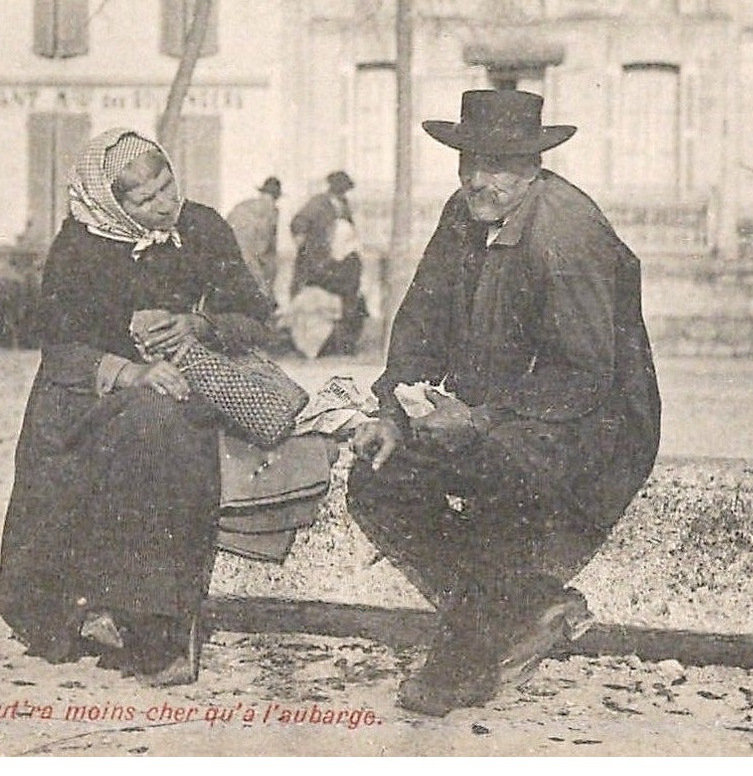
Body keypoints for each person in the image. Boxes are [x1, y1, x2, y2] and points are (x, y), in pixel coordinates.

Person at [346, 90, 661, 716]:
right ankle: (525, 610)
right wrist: (391, 410)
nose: (479, 180)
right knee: (376, 481)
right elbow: (420, 324)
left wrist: (478, 420)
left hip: (593, 418)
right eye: (469, 162)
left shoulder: (567, 235)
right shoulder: (462, 214)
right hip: (497, 408)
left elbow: (583, 373)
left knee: (497, 481)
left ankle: (463, 660)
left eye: (500, 166)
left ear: (535, 166)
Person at [0, 127, 273, 686]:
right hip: (90, 394)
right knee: (111, 438)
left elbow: (256, 318)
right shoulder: (80, 247)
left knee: (157, 432)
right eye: (145, 201)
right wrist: (130, 371)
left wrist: (199, 325)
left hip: (184, 389)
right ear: (111, 204)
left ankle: (159, 628)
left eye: (168, 187)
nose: (165, 205)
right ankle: (81, 610)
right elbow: (61, 348)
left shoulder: (202, 228)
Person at [289, 170, 365, 355]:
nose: (342, 192)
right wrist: (307, 249)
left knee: (351, 301)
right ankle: (313, 346)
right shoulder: (318, 203)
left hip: (338, 262)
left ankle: (342, 344)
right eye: (339, 188)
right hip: (318, 262)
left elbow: (347, 233)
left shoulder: (343, 205)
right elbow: (298, 224)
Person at [225, 176, 282, 304]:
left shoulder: (241, 206)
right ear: (277, 196)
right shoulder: (271, 211)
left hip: (228, 255)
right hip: (250, 259)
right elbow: (264, 248)